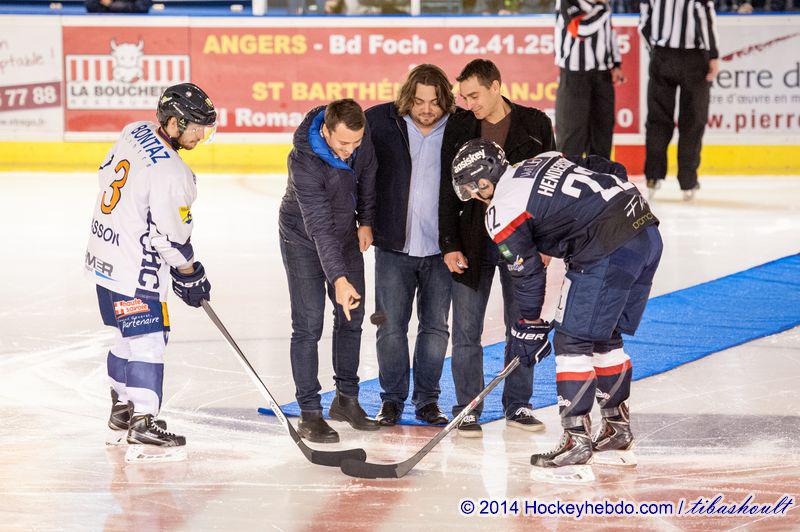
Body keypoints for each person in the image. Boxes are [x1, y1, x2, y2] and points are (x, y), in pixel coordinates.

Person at [451, 138, 662, 470]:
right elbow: (603, 165)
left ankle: (576, 440)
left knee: (572, 341)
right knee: (605, 336)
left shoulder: (502, 209)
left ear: (483, 181)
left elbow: (528, 273)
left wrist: (528, 324)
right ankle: (616, 429)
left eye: (471, 189)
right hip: (645, 232)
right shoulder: (541, 159)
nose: (473, 196)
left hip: (606, 248)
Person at [85, 82, 216, 451]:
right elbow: (171, 239)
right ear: (173, 123)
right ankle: (143, 420)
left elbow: (104, 173)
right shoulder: (174, 174)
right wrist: (190, 274)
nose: (201, 136)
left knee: (124, 336)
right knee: (149, 340)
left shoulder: (135, 130)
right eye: (196, 128)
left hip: (104, 254)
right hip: (135, 267)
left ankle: (122, 409)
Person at [439, 59, 555, 437]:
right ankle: (467, 407)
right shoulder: (459, 125)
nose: (469, 103)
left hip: (521, 242)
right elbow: (446, 189)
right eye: (464, 97)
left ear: (495, 86)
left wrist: (546, 243)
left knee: (520, 327)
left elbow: (548, 187)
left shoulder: (535, 124)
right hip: (471, 243)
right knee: (466, 331)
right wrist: (449, 244)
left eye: (475, 95)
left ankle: (518, 404)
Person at [279, 99, 380, 443]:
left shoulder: (360, 138)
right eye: (343, 144)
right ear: (325, 131)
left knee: (352, 315)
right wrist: (338, 278)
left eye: (356, 142)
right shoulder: (303, 161)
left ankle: (346, 400)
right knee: (308, 324)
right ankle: (310, 412)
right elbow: (319, 227)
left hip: (345, 233)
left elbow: (368, 177)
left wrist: (365, 221)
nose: (350, 150)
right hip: (303, 239)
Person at [365, 65, 454, 427]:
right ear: (407, 98)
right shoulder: (380, 122)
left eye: (434, 102)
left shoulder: (460, 126)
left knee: (435, 328)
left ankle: (428, 401)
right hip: (393, 247)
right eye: (419, 101)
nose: (427, 109)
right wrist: (364, 221)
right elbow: (361, 174)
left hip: (442, 250)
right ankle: (391, 400)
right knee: (390, 328)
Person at [639, 0, 720, 200]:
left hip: (662, 55)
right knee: (693, 119)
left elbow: (644, 22)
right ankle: (688, 181)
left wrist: (655, 49)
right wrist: (713, 55)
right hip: (693, 59)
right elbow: (703, 15)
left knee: (658, 118)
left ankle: (653, 176)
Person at [554, 0, 625, 160]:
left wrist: (616, 63)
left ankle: (600, 175)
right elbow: (580, 29)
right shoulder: (567, 1)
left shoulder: (603, 4)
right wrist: (602, 8)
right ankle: (569, 174)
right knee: (572, 137)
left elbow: (609, 32)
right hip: (574, 77)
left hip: (603, 76)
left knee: (602, 136)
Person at [85, 0, 152, 13]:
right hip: (106, 28)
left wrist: (111, 5)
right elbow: (90, 5)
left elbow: (142, 7)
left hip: (133, 27)